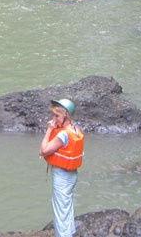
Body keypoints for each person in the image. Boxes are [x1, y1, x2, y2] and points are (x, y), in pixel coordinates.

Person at [40, 98, 84, 237]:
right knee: (67, 208)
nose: (54, 119)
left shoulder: (63, 134)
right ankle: (70, 233)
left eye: (57, 116)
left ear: (66, 116)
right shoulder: (76, 129)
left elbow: (44, 150)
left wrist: (49, 129)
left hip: (62, 176)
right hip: (72, 175)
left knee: (60, 213)